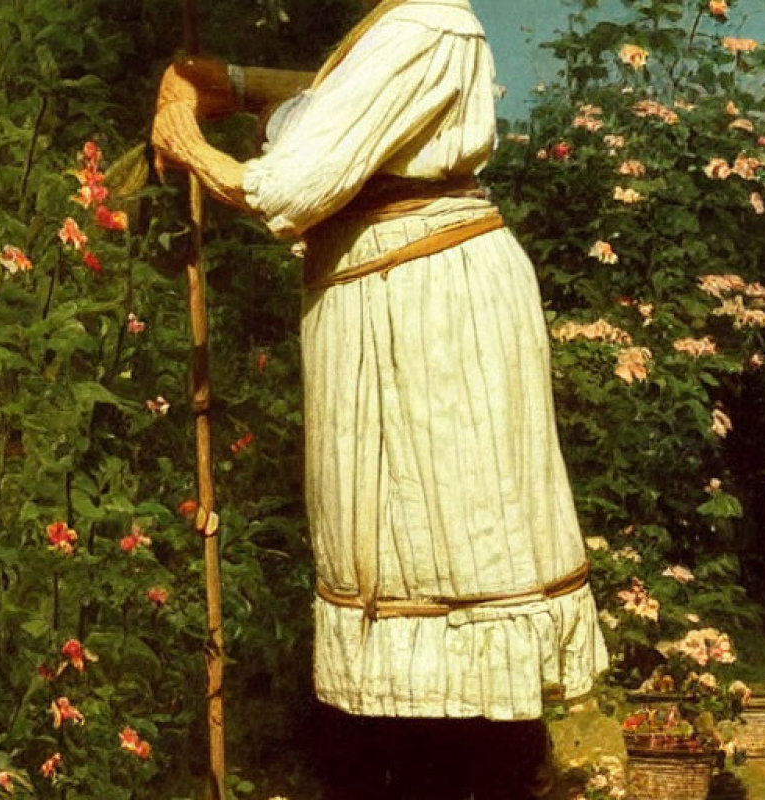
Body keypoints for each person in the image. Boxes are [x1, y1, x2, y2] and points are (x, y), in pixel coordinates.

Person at [153, 0, 609, 795]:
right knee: (401, 552)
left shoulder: (426, 24)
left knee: (445, 543)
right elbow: (343, 103)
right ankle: (431, 767)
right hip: (391, 301)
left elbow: (286, 188)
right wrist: (234, 83)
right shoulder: (401, 25)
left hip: (430, 318)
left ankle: (473, 773)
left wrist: (185, 139)